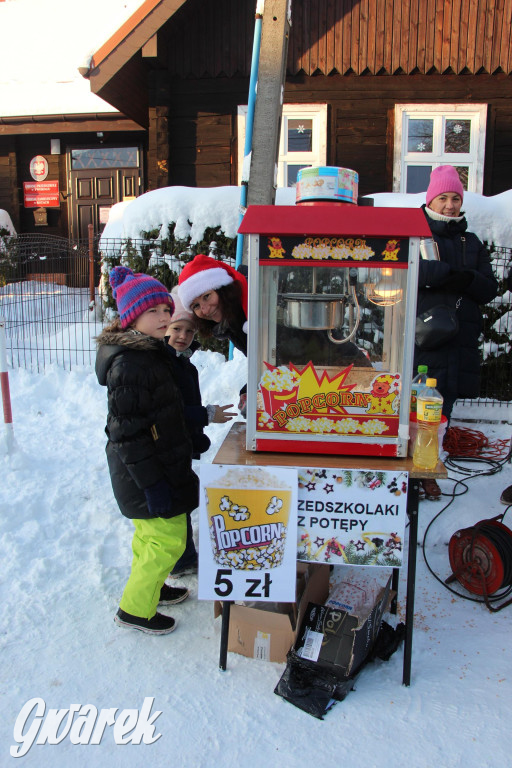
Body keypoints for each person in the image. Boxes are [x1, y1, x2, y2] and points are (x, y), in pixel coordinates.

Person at [96, 266, 199, 635]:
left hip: (156, 466)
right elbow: (129, 435)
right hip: (143, 472)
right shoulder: (131, 365)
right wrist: (152, 484)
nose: (165, 318)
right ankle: (136, 610)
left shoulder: (151, 356)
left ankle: (152, 588)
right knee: (167, 539)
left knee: (149, 537)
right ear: (132, 317)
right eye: (153, 311)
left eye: (167, 310)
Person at [415, 165, 499, 500]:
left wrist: (462, 278)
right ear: (431, 199)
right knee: (418, 409)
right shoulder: (417, 233)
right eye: (443, 197)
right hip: (426, 340)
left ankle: (427, 467)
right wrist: (452, 274)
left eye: (455, 198)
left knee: (442, 410)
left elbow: (488, 287)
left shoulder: (471, 241)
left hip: (459, 342)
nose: (450, 205)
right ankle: (414, 470)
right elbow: (412, 271)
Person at [165, 287, 236, 576]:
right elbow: (171, 411)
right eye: (177, 329)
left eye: (189, 332)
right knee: (175, 502)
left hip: (180, 443)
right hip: (168, 444)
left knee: (181, 498)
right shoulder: (165, 363)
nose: (183, 336)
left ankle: (184, 556)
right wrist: (207, 415)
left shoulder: (182, 361)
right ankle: (180, 559)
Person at [178, 254, 249, 411]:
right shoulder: (233, 322)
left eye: (207, 296)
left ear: (223, 289)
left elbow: (282, 359)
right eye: (196, 305)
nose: (204, 309)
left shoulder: (251, 312)